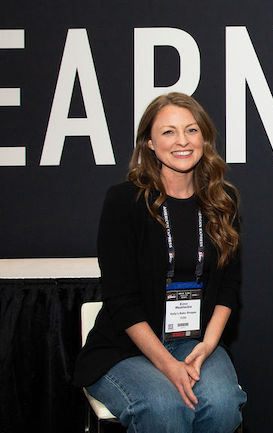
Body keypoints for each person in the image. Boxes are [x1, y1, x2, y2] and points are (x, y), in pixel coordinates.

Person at [73, 92, 247, 433]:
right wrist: (168, 365)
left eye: (191, 130)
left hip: (195, 340)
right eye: (168, 132)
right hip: (125, 348)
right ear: (150, 143)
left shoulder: (223, 200)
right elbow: (121, 300)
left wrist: (206, 347)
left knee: (223, 405)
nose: (182, 141)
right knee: (165, 408)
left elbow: (229, 288)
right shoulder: (124, 201)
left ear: (205, 138)